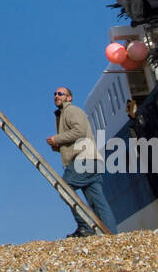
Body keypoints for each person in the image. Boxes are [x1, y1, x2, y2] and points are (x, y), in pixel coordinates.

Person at [46, 86, 117, 237]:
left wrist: (57, 138)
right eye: (54, 94)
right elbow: (76, 139)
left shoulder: (71, 111)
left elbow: (80, 131)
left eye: (60, 93)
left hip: (83, 160)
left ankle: (85, 227)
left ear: (69, 98)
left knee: (65, 187)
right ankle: (111, 235)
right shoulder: (62, 115)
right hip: (91, 160)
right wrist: (58, 146)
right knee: (98, 201)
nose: (56, 96)